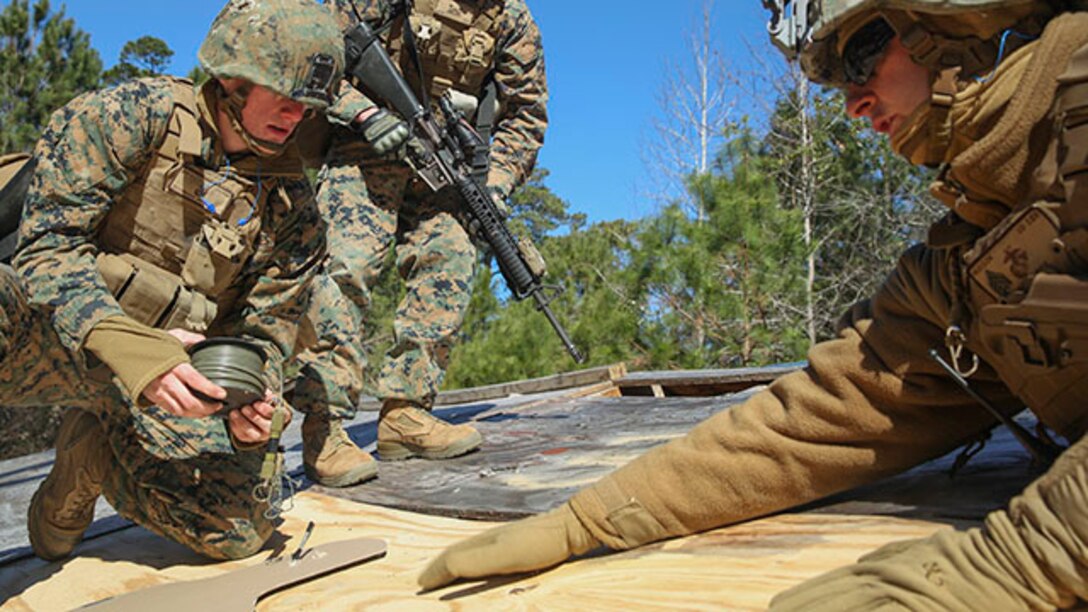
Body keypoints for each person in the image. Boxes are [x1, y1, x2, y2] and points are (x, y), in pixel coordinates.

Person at [417, 1, 1088, 608]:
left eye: (860, 56)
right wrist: (591, 517)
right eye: (837, 84)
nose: (853, 103)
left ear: (956, 19)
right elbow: (822, 417)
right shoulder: (970, 251)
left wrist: (1016, 566)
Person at [9, 0, 345, 561]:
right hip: (51, 341)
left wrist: (253, 406)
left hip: (179, 379)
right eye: (285, 98)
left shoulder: (293, 210)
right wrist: (139, 354)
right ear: (234, 80)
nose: (295, 118)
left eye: (308, 108)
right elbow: (45, 250)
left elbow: (264, 337)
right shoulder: (129, 115)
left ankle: (89, 457)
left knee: (235, 527)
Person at [291, 0, 549, 486]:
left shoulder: (513, 20)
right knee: (345, 270)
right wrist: (363, 113)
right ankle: (322, 426)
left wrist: (492, 184)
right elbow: (316, 45)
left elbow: (526, 116)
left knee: (450, 262)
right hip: (364, 149)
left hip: (443, 166)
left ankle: (406, 414)